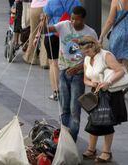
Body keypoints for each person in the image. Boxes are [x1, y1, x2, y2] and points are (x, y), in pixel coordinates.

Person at [42, 6, 97, 141]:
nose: (72, 22)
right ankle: (63, 138)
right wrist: (43, 22)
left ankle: (71, 140)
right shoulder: (64, 25)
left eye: (76, 20)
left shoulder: (90, 33)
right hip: (63, 71)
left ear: (83, 19)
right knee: (63, 106)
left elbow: (95, 55)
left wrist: (79, 68)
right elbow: (45, 30)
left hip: (78, 75)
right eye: (71, 18)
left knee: (74, 109)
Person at [80, 36, 128, 163]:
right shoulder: (86, 59)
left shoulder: (105, 55)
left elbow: (120, 71)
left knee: (107, 121)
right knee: (94, 120)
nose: (85, 54)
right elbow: (86, 79)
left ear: (93, 46)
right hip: (96, 93)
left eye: (87, 51)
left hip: (109, 93)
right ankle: (92, 149)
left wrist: (108, 82)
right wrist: (93, 84)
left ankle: (106, 151)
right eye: (84, 52)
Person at [43, 0, 82, 101]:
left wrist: (37, 35)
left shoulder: (51, 1)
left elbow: (45, 19)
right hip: (69, 35)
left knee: (53, 63)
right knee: (70, 61)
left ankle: (56, 91)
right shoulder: (74, 1)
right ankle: (69, 90)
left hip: (52, 33)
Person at [100, 0, 128, 74]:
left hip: (119, 34)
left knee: (116, 63)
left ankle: (118, 82)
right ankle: (126, 83)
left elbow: (110, 21)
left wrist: (101, 36)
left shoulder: (116, 1)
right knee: (127, 63)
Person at [23, 0, 48, 64]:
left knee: (33, 33)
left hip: (35, 7)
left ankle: (30, 58)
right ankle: (45, 61)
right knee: (46, 33)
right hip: (47, 7)